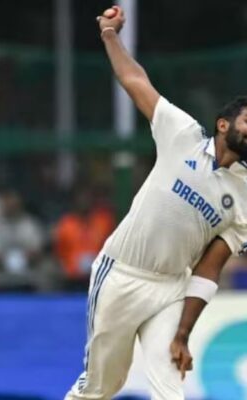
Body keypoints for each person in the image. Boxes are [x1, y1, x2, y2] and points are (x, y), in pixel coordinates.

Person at [66, 6, 247, 400]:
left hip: (171, 287)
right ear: (223, 124)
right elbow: (134, 80)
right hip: (121, 275)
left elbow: (209, 269)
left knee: (170, 388)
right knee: (101, 387)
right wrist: (110, 36)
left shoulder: (244, 197)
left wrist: (183, 332)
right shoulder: (181, 133)